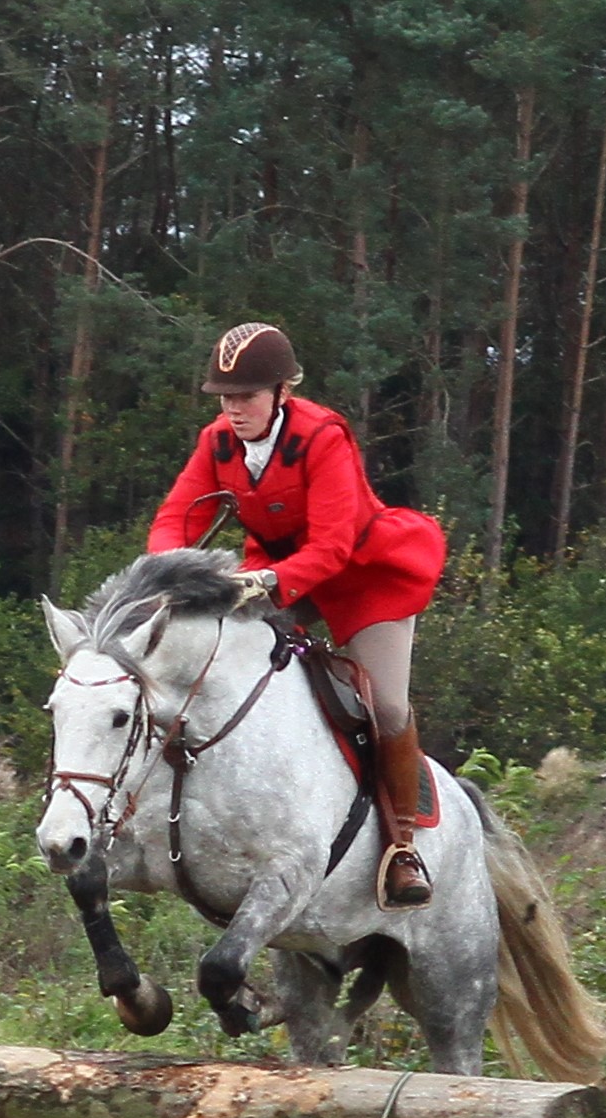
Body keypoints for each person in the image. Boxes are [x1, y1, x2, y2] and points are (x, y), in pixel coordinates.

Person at [147, 322, 450, 910]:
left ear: (283, 392)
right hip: (279, 574)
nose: (234, 410)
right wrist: (164, 571)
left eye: (246, 397)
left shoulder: (323, 436)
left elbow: (333, 547)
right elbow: (176, 518)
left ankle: (403, 846)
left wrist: (265, 582)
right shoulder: (217, 443)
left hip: (361, 574)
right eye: (225, 398)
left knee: (386, 706)